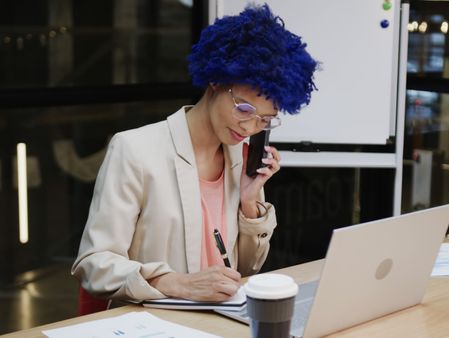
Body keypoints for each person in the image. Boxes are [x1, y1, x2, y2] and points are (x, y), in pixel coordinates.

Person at [71, 4, 318, 303]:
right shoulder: (135, 150)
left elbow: (247, 269)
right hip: (154, 324)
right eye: (244, 109)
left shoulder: (240, 158)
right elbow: (93, 264)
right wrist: (175, 283)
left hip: (220, 322)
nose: (251, 127)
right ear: (215, 80)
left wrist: (249, 203)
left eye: (265, 120)